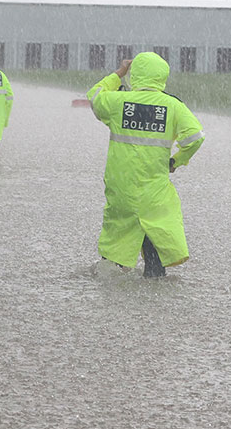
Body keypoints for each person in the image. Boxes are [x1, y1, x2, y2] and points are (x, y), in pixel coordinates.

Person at [86, 52, 205, 278]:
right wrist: (176, 161)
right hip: (154, 187)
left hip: (121, 185)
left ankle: (108, 287)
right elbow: (196, 137)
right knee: (155, 232)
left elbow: (94, 95)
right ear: (162, 76)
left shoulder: (117, 102)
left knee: (117, 236)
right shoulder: (173, 106)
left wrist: (120, 73)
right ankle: (154, 282)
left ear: (135, 75)